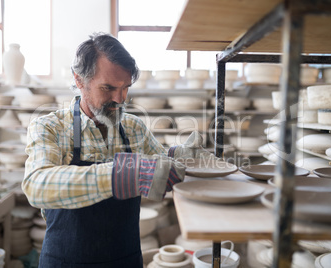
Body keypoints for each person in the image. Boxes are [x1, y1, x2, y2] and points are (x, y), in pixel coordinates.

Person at [22, 32, 215, 268]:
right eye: (108, 88)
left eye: (126, 88)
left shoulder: (133, 127)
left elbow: (158, 166)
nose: (120, 99)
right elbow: (37, 185)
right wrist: (119, 174)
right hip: (66, 261)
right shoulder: (50, 127)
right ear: (79, 80)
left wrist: (178, 157)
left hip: (125, 259)